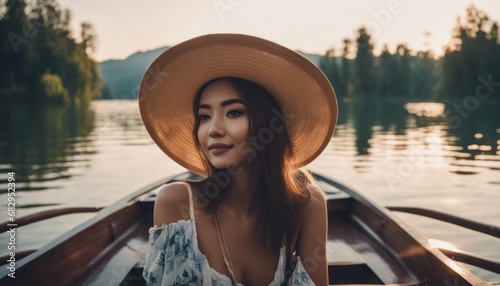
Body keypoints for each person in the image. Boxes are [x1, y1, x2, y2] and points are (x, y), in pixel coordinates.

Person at [139, 34, 338, 286]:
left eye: (233, 112)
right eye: (204, 116)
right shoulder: (176, 204)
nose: (213, 129)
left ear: (270, 124)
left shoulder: (307, 204)